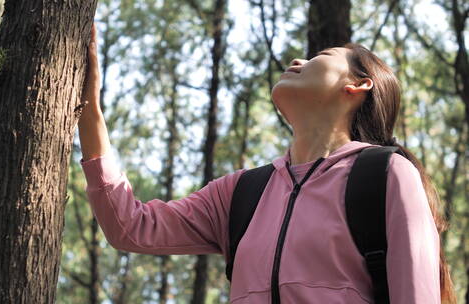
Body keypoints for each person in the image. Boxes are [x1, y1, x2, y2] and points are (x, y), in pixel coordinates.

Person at [77, 25, 456, 303]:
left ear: (358, 85)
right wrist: (89, 110)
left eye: (320, 58)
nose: (297, 60)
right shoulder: (241, 192)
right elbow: (131, 227)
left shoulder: (386, 175)